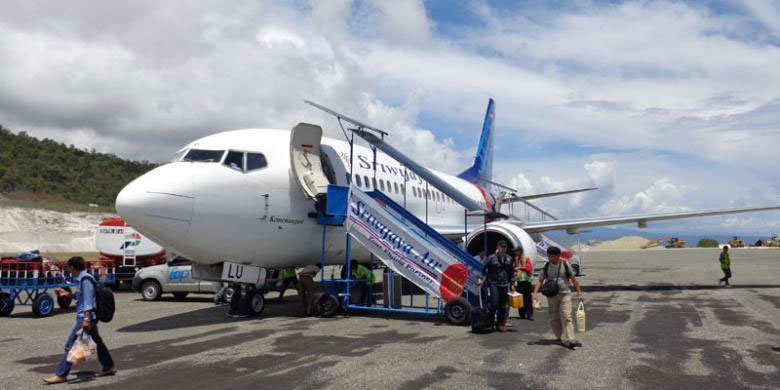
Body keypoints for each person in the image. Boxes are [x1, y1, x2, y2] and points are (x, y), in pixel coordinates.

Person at [44, 257, 115, 384]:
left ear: (72, 267)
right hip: (88, 317)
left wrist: (86, 319)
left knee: (70, 345)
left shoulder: (85, 279)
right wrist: (67, 294)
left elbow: (88, 302)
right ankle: (109, 367)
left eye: (68, 267)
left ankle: (61, 374)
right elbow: (80, 297)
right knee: (97, 342)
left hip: (86, 317)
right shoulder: (83, 278)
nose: (67, 270)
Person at [533, 246, 585, 349]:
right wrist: (535, 293)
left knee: (567, 316)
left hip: (565, 293)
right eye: (549, 256)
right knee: (553, 317)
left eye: (552, 256)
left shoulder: (565, 264)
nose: (550, 258)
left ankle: (571, 339)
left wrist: (580, 293)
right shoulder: (546, 266)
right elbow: (540, 280)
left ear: (557, 256)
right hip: (552, 295)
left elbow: (573, 279)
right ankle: (558, 337)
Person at [478, 240, 514, 332]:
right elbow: (482, 268)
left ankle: (500, 324)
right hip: (494, 283)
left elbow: (511, 272)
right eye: (501, 247)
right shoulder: (491, 257)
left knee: (503, 306)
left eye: (504, 247)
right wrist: (480, 278)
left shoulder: (509, 258)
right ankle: (490, 322)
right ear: (497, 247)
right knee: (494, 304)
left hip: (504, 284)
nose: (503, 249)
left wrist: (512, 283)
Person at [513, 246, 534, 320]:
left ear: (520, 251)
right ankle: (521, 314)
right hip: (519, 281)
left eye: (516, 251)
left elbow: (529, 268)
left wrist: (520, 268)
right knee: (520, 297)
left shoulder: (526, 258)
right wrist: (515, 272)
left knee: (528, 298)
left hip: (526, 280)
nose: (515, 252)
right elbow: (514, 268)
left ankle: (529, 314)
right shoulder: (516, 259)